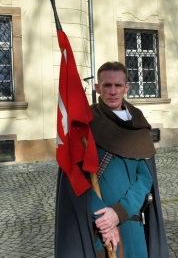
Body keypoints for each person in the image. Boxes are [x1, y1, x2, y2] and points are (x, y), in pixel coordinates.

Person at [55, 61, 170, 258]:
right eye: (107, 85)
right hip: (98, 228)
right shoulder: (84, 124)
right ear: (97, 87)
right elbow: (76, 179)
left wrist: (119, 212)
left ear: (127, 87)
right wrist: (104, 219)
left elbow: (145, 178)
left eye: (118, 85)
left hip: (131, 223)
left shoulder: (137, 122)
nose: (113, 91)